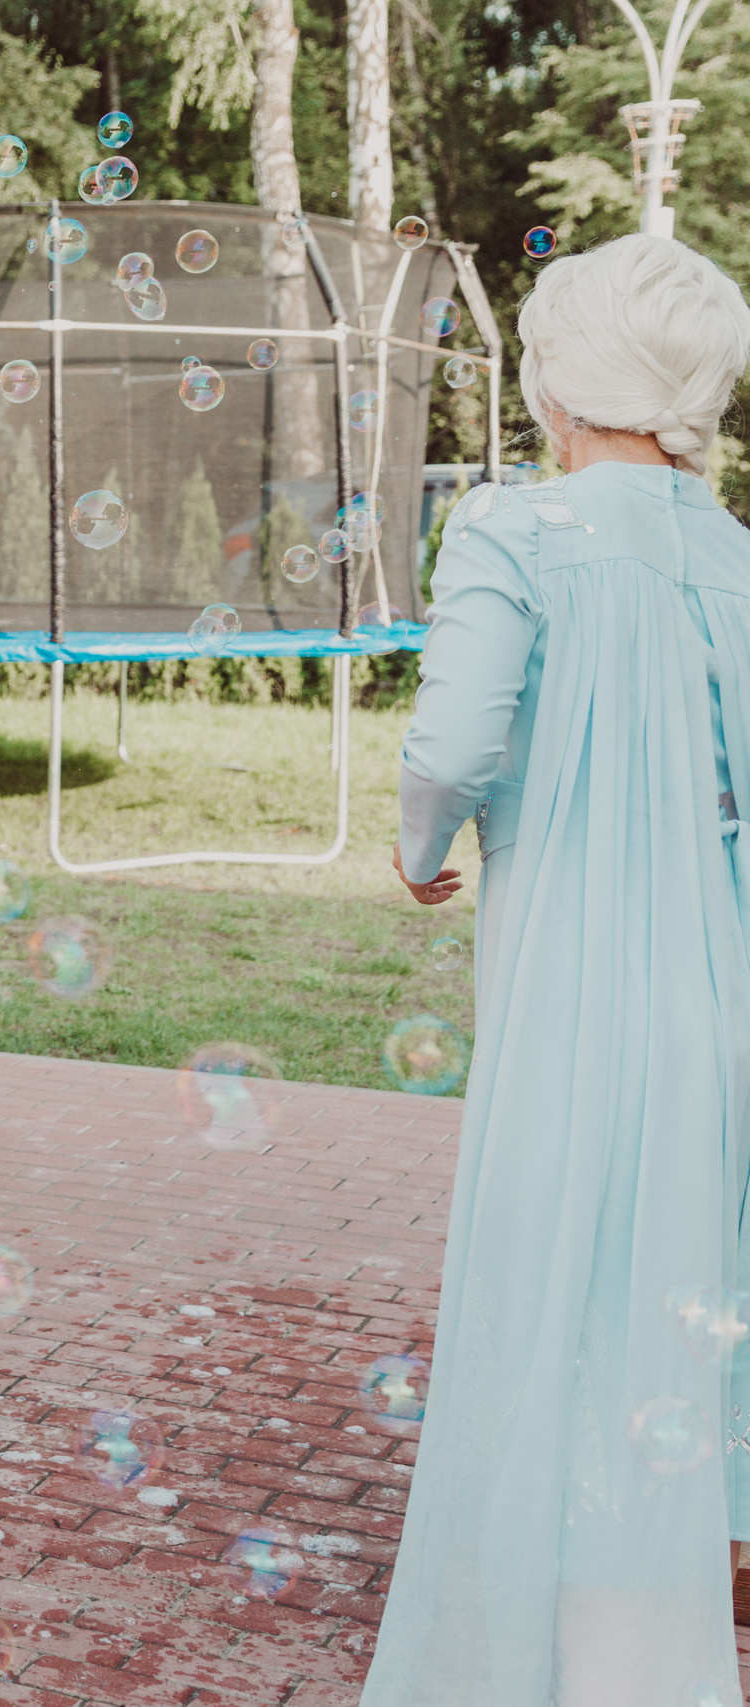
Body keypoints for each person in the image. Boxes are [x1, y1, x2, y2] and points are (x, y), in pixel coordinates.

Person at [369, 233, 750, 1707]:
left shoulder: (513, 529)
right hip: (718, 980)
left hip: (577, 978)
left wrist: (420, 846)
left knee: (559, 1312)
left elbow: (456, 741)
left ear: (560, 369)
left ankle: (536, 1662)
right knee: (670, 1316)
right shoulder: (734, 551)